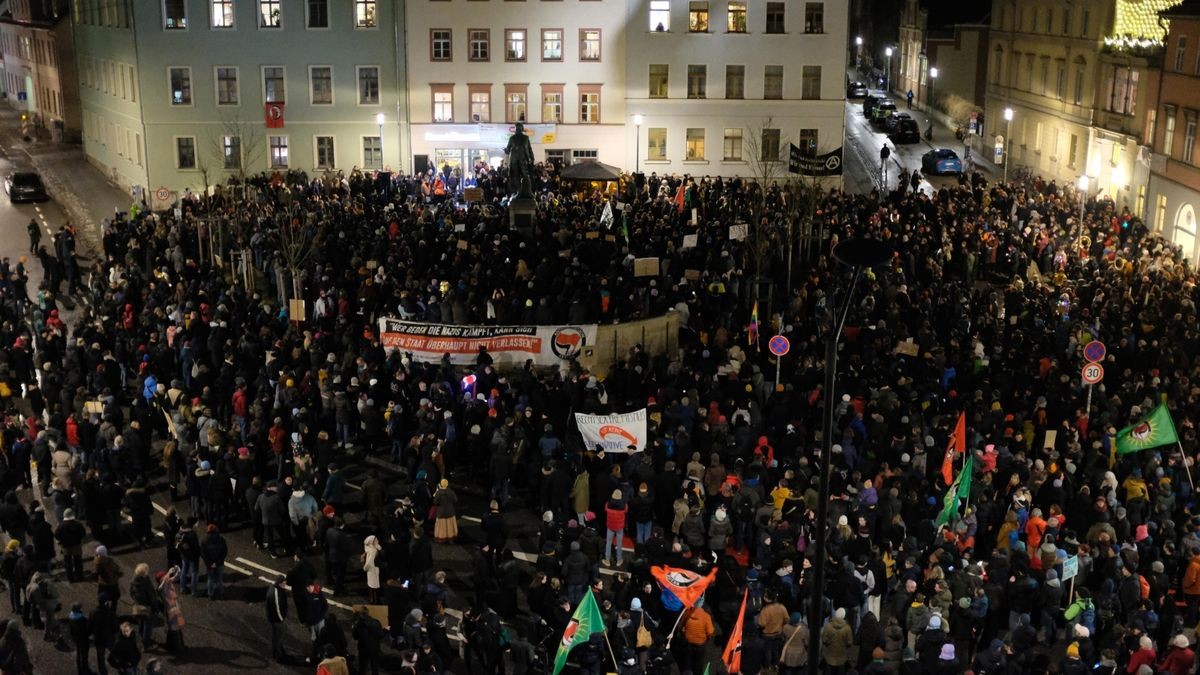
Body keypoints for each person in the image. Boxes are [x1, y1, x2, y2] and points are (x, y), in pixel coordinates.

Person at [128, 564, 160, 649]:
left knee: (141, 622)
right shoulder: (144, 582)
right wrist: (155, 608)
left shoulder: (134, 581)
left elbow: (131, 593)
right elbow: (151, 597)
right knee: (147, 625)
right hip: (147, 607)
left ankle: (143, 638)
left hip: (138, 606)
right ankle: (147, 644)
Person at [156, 567, 186, 652]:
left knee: (175, 629)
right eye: (164, 577)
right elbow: (160, 588)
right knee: (175, 630)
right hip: (170, 612)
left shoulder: (168, 583)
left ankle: (171, 645)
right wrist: (168, 573)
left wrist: (178, 572)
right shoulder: (161, 588)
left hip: (175, 609)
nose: (166, 577)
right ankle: (178, 648)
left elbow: (176, 577)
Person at [55, 509, 86, 583]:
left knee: (68, 563)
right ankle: (79, 577)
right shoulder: (77, 524)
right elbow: (83, 533)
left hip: (66, 547)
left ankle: (70, 578)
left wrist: (62, 541)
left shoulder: (61, 526)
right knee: (78, 561)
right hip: (77, 545)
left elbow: (56, 535)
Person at [352, 605, 385, 675]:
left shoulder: (358, 625)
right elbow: (381, 635)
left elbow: (355, 637)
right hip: (374, 648)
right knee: (375, 667)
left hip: (363, 648)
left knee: (362, 667)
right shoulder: (376, 622)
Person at [821, 607, 854, 675]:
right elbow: (850, 642)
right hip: (841, 657)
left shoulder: (828, 626)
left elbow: (824, 640)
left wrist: (828, 644)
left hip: (830, 656)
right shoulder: (847, 628)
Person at [266, 575, 290, 664]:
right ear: (279, 583)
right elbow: (277, 609)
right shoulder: (275, 593)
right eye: (283, 584)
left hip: (275, 618)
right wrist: (281, 619)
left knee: (276, 636)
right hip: (277, 620)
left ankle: (278, 651)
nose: (285, 585)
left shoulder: (277, 589)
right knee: (277, 637)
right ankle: (277, 655)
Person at [200, 523, 227, 599]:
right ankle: (221, 593)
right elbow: (224, 552)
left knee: (210, 579)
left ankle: (210, 594)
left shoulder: (204, 541)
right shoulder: (221, 539)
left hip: (209, 564)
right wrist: (217, 562)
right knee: (220, 579)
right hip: (219, 563)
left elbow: (203, 554)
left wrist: (210, 563)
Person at [68, 602, 91, 675]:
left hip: (76, 637)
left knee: (78, 653)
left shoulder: (70, 616)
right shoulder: (82, 619)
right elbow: (87, 629)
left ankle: (80, 669)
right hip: (83, 639)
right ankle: (85, 670)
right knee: (84, 655)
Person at [432, 479, 458, 544]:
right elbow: (456, 500)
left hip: (441, 512)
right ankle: (450, 539)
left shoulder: (438, 493)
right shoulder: (451, 492)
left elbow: (435, 502)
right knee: (450, 526)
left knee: (442, 527)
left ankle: (441, 539)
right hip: (450, 512)